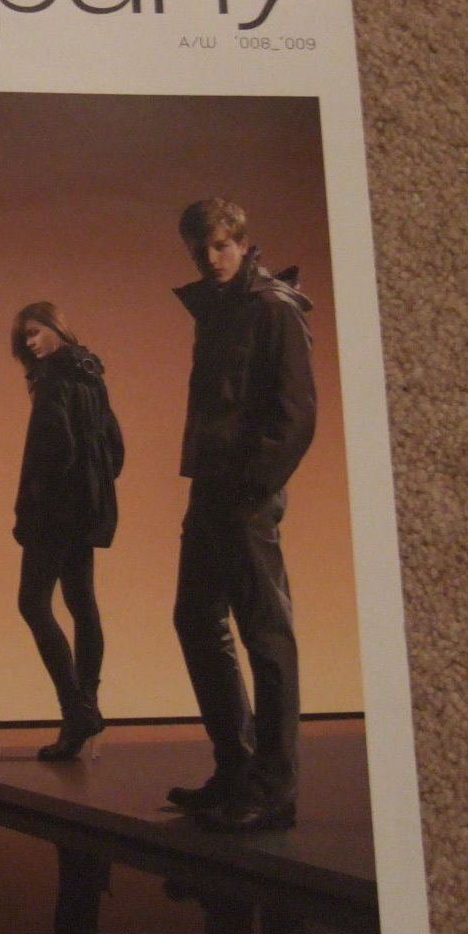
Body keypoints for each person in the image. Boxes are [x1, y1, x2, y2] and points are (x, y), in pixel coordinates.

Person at [168, 198, 316, 832]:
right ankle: (235, 769)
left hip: (245, 497)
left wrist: (251, 489)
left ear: (242, 243)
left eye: (221, 246)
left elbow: (296, 417)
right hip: (211, 490)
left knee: (266, 635)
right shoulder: (218, 308)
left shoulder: (272, 308)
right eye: (199, 249)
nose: (210, 258)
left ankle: (274, 789)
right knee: (195, 617)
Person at [10, 302, 124, 761]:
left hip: (53, 512)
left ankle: (76, 711)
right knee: (81, 603)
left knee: (33, 603)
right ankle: (86, 708)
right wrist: (93, 487)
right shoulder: (90, 375)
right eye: (26, 338)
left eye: (36, 332)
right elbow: (115, 446)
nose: (31, 343)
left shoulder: (54, 380)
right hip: (84, 510)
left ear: (57, 327)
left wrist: (30, 510)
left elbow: (50, 453)